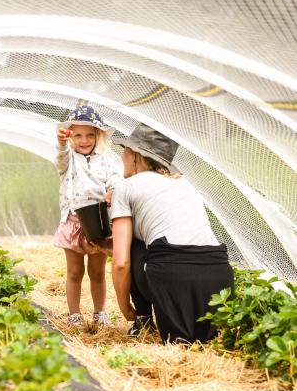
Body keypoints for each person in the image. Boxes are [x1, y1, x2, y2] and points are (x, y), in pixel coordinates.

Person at [109, 123, 234, 343]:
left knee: (132, 244)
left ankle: (142, 319)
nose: (122, 154)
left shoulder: (125, 188)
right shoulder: (183, 183)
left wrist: (125, 308)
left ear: (136, 156)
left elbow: (121, 262)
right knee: (210, 341)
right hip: (217, 275)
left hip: (172, 275)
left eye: (126, 149)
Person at [54, 104, 123, 327]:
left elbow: (115, 179)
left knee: (97, 271)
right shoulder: (69, 159)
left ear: (98, 136)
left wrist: (112, 191)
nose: (84, 140)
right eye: (78, 135)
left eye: (90, 135)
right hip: (73, 222)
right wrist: (62, 143)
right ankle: (74, 314)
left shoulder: (105, 160)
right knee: (74, 271)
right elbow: (61, 157)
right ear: (71, 137)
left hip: (97, 223)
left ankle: (100, 313)